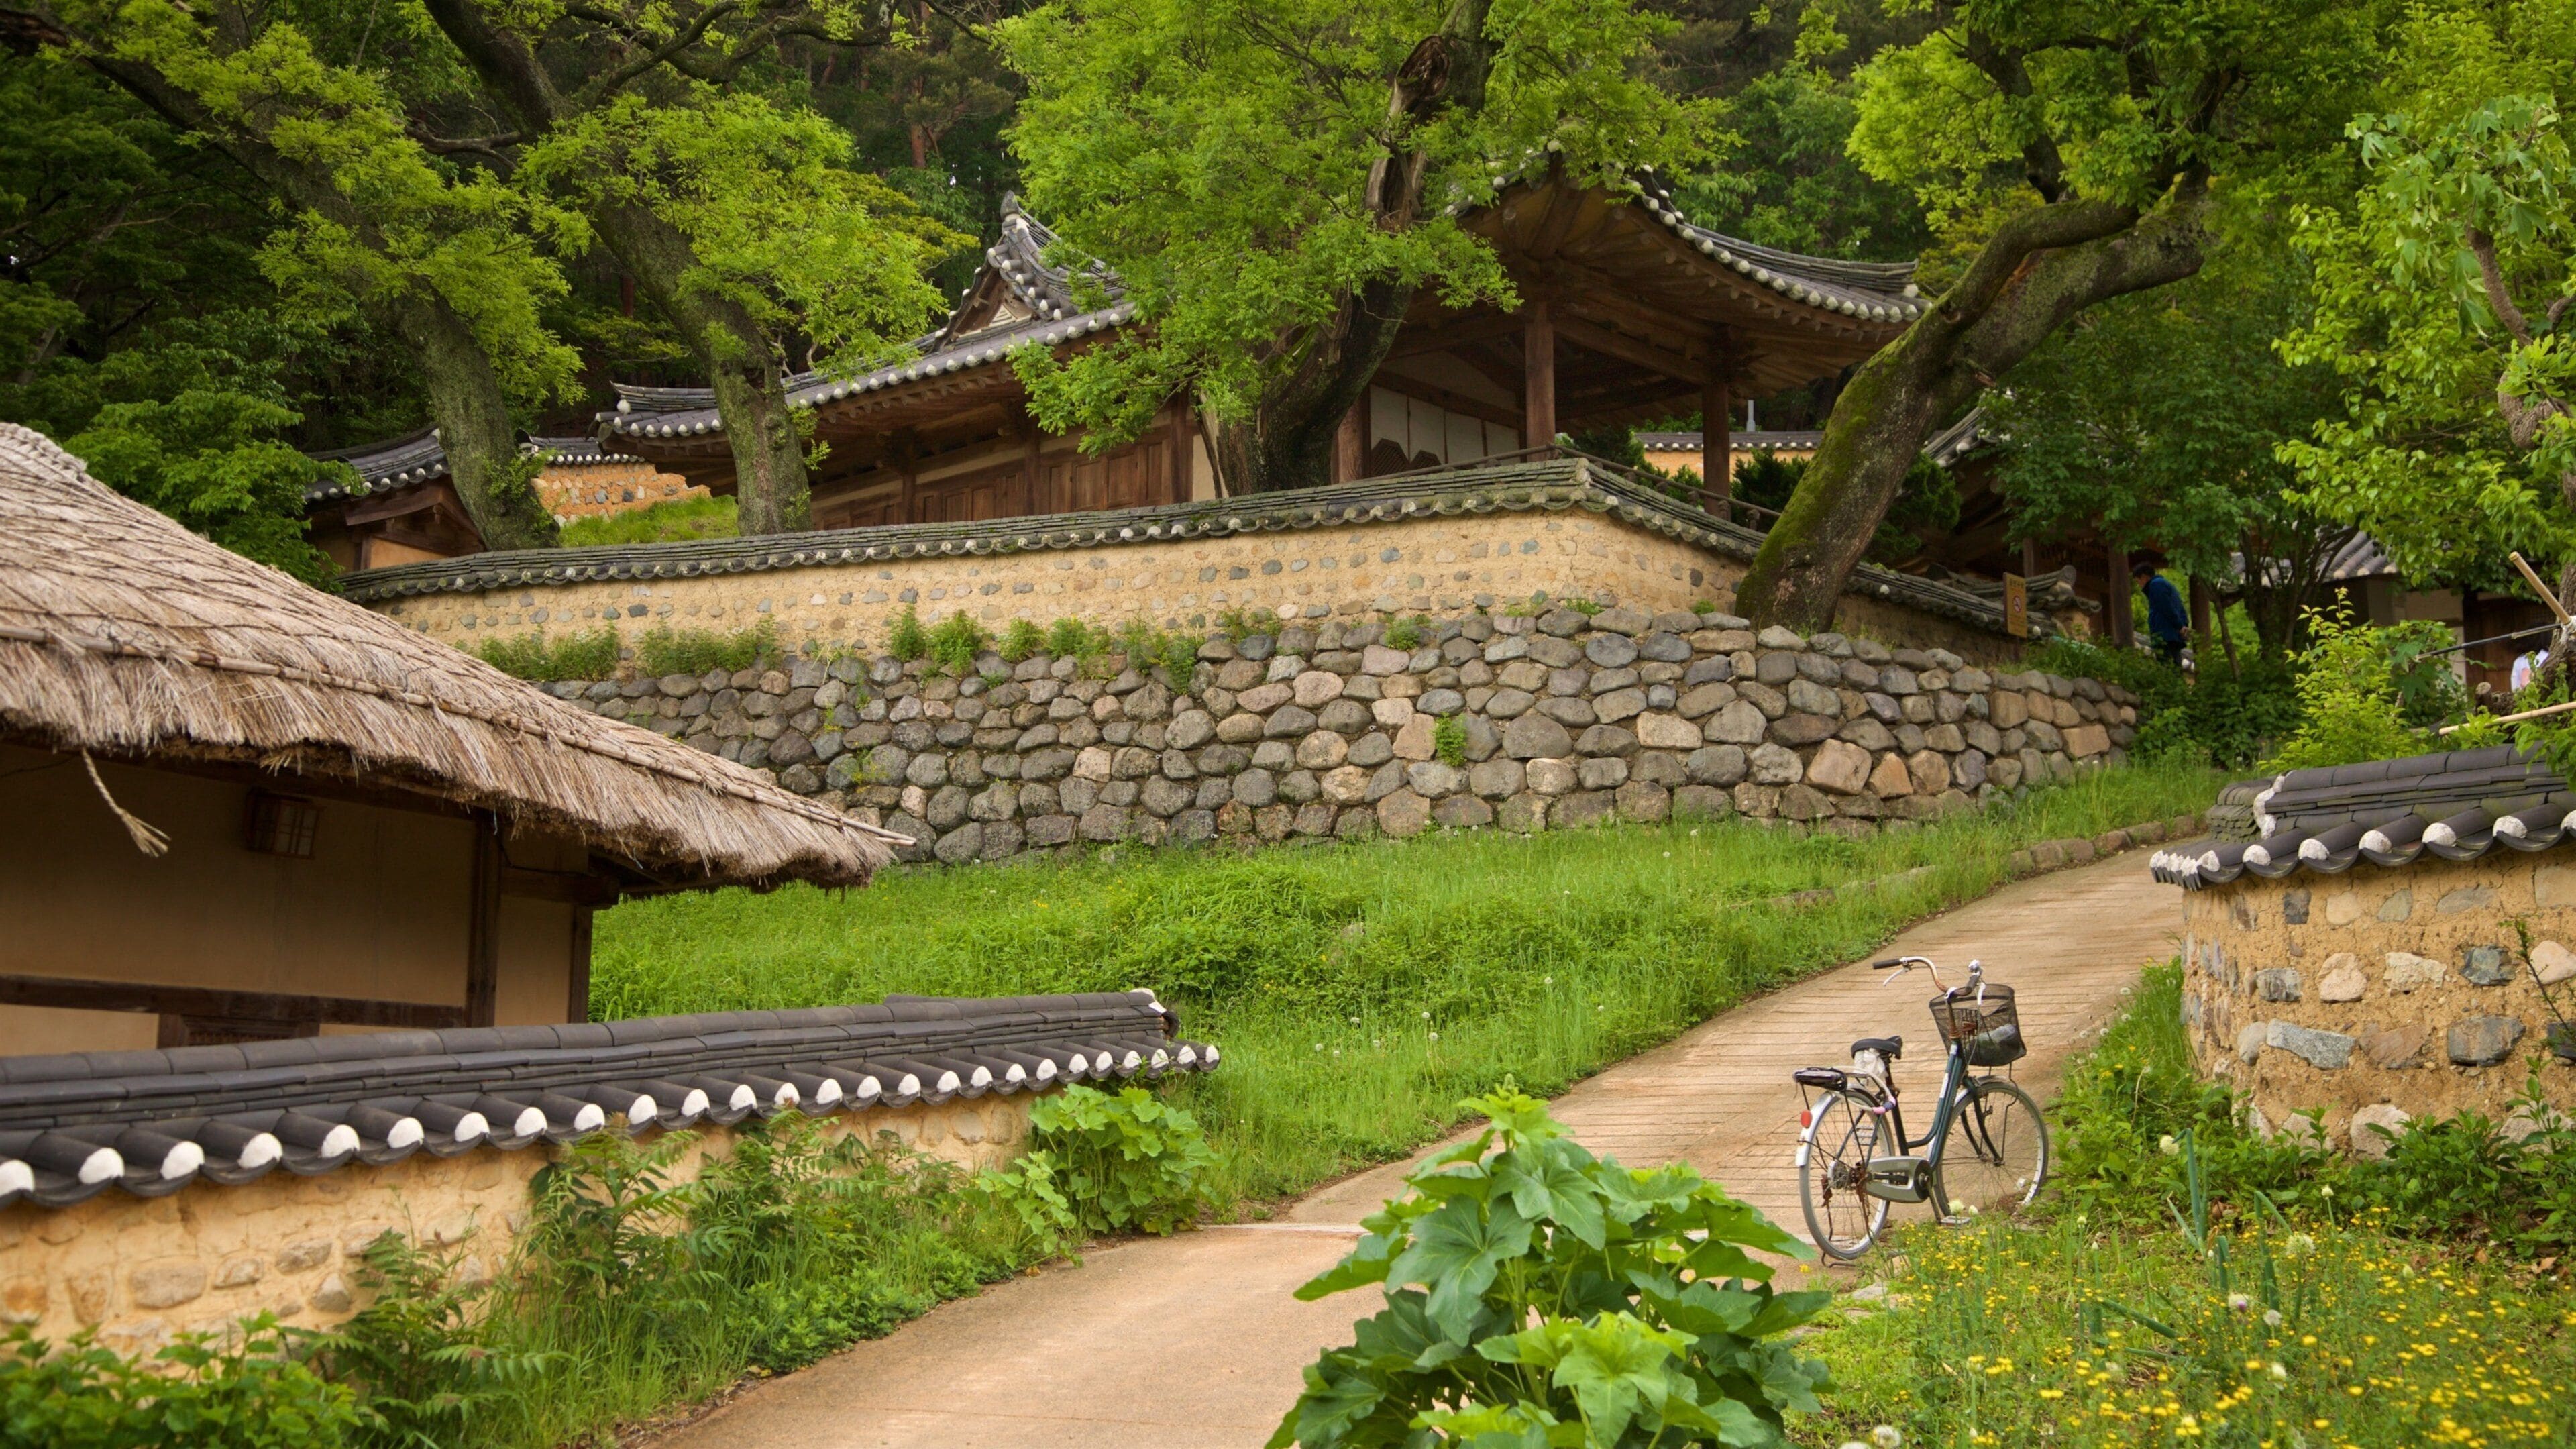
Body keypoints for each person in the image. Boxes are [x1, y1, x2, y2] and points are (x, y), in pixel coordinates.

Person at [2134, 557, 2188, 665]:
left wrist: (2179, 626)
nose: (2139, 585)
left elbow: (2166, 607)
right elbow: (2180, 609)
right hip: (2173, 634)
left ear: (2144, 577)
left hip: (2164, 633)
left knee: (2166, 665)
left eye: (2138, 581)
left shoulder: (2156, 585)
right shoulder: (2167, 585)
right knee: (2175, 665)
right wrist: (2183, 626)